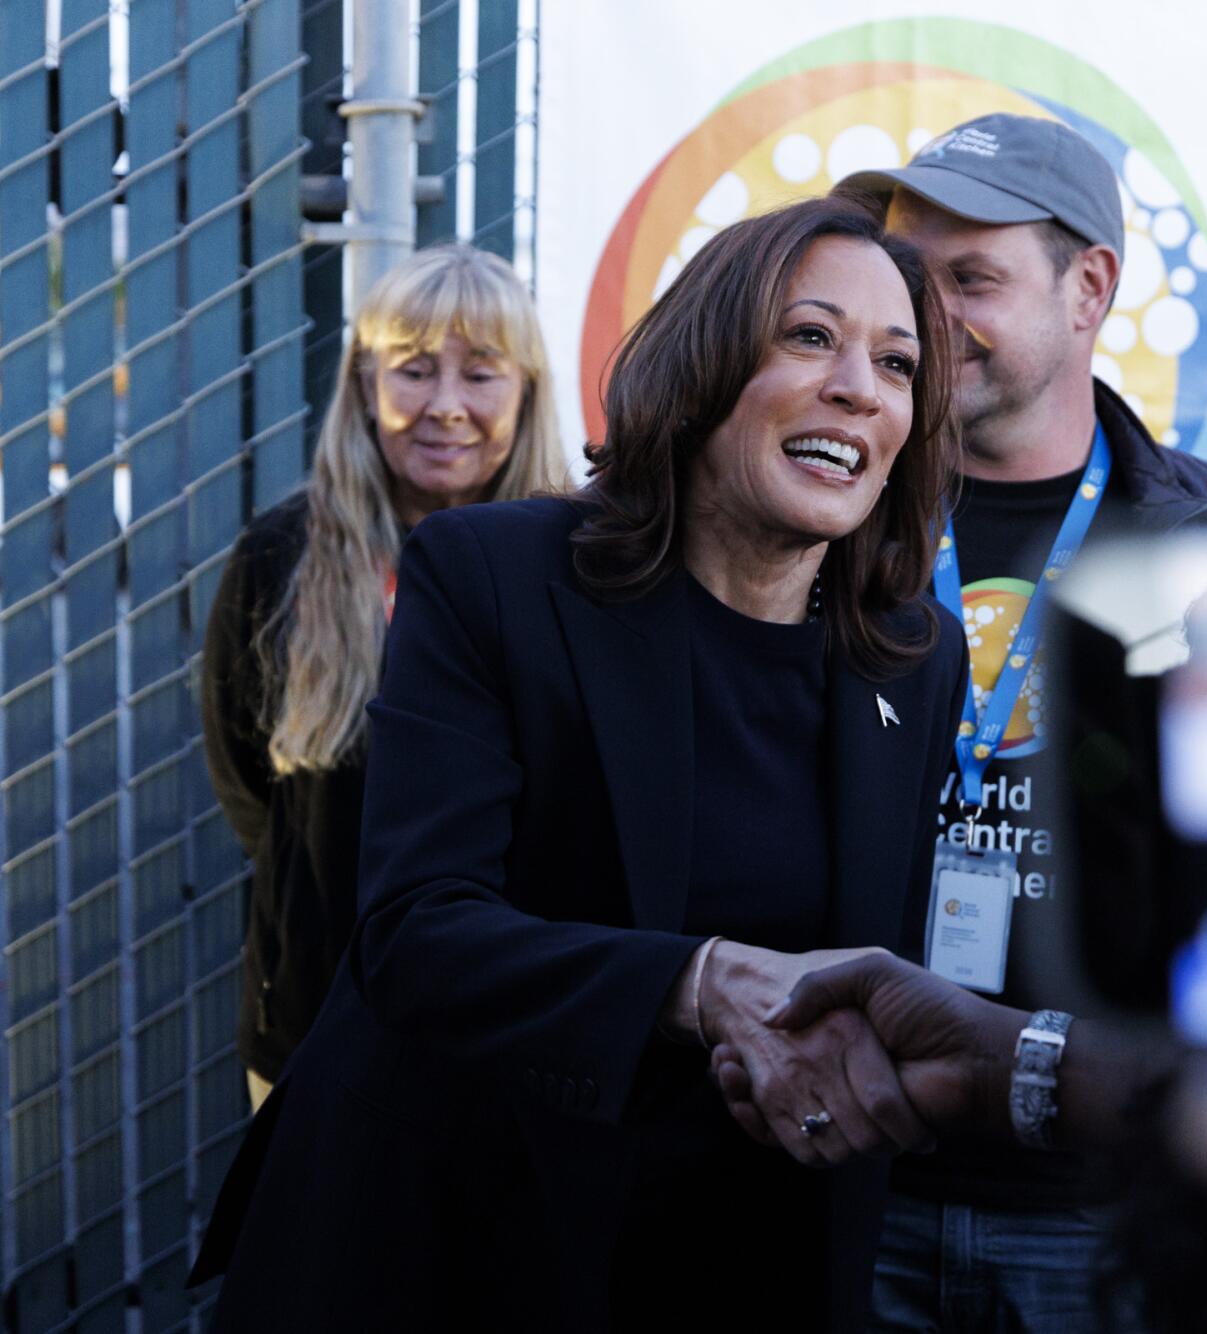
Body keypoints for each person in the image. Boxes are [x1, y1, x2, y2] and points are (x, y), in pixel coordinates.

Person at [187, 196, 968, 1330]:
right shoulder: (495, 577)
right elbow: (417, 930)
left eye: (895, 364)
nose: (859, 385)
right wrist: (694, 981)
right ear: (701, 365)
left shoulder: (909, 657)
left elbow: (865, 973)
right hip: (457, 1240)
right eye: (809, 336)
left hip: (738, 1252)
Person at [836, 110, 1207, 1333]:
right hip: (847, 1180)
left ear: (1089, 285)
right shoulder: (824, 519)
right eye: (904, 277)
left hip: (1106, 1206)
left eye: (969, 278)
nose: (923, 316)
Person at [199, 243, 566, 1109]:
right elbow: (248, 781)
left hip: (518, 1028)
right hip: (316, 1023)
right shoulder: (280, 557)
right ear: (365, 387)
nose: (445, 407)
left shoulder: (577, 567)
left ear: (526, 393)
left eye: (481, 374)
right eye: (412, 371)